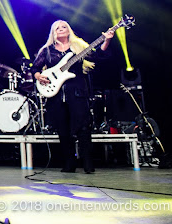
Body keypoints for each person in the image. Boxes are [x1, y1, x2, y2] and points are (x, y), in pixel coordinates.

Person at [31, 20, 114, 173]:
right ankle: (69, 163)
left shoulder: (78, 46)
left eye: (64, 27)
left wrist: (107, 39)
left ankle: (88, 163)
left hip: (77, 92)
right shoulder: (47, 51)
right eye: (57, 28)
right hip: (56, 95)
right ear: (53, 32)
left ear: (69, 30)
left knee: (83, 127)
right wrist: (38, 76)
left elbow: (97, 57)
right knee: (63, 129)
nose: (61, 29)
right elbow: (35, 67)